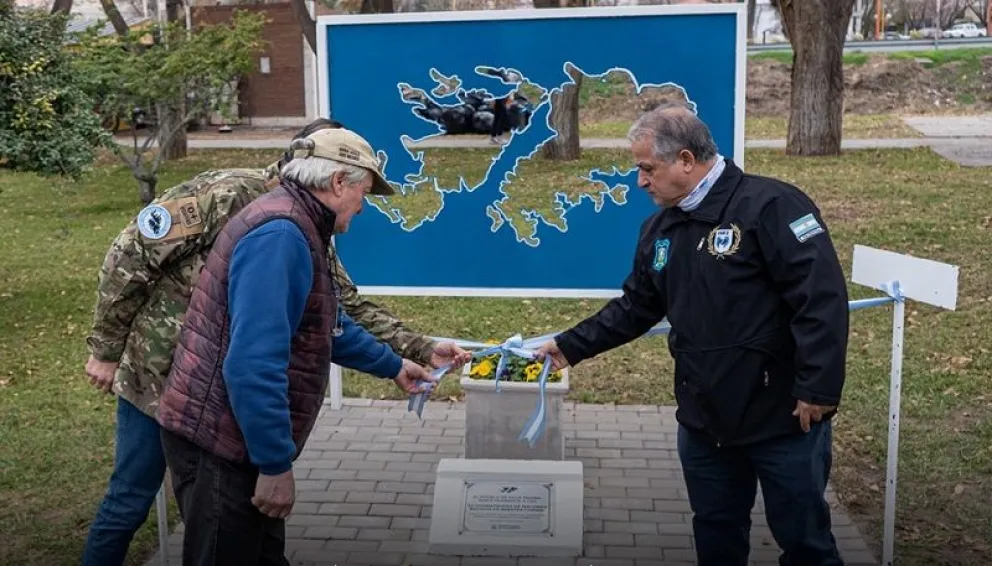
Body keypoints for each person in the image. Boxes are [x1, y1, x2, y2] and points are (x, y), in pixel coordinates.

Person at [81, 119, 470, 566]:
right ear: (337, 181)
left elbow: (330, 316)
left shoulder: (302, 221)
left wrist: (402, 359)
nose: (364, 207)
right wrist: (274, 465)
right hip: (180, 388)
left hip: (220, 403)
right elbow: (133, 258)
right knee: (133, 501)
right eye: (363, 192)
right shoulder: (269, 225)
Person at [535, 104, 850, 566]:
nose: (640, 181)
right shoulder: (660, 229)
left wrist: (818, 388)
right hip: (704, 422)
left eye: (648, 169)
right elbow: (637, 306)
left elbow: (820, 298)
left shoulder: (772, 206)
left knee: (806, 544)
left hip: (783, 418)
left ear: (685, 160)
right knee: (716, 535)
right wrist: (569, 347)